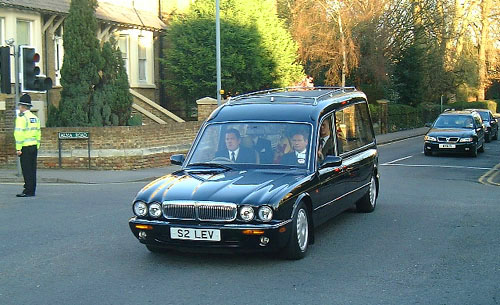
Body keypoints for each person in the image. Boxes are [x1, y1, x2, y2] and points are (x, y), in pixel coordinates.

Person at [14, 94, 41, 197]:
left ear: (22, 106)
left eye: (19, 106)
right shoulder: (35, 118)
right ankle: (32, 189)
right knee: (32, 169)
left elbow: (19, 134)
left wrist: (18, 148)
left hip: (25, 147)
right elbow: (38, 133)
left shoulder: (21, 118)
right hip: (34, 146)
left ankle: (27, 190)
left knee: (26, 169)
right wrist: (37, 145)